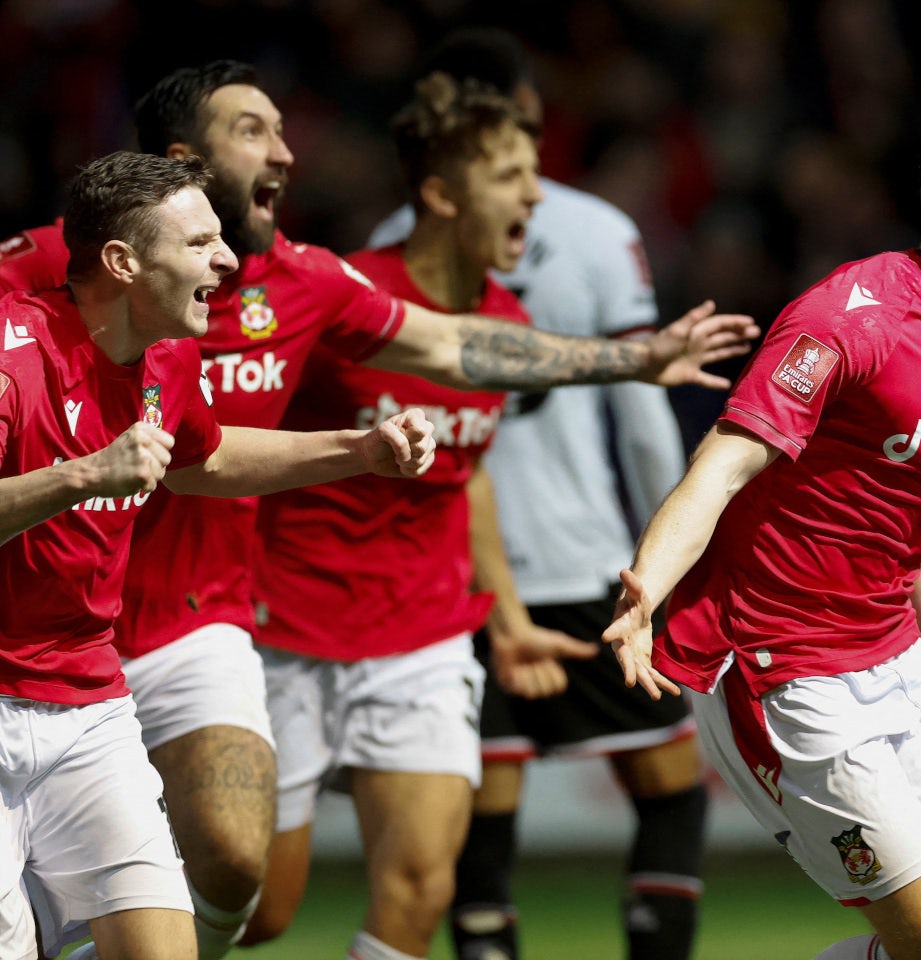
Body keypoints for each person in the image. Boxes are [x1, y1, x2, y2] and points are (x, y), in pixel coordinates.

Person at [0, 60, 755, 960]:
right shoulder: (44, 279)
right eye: (252, 130)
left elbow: (435, 350)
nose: (285, 150)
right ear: (181, 162)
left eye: (283, 128)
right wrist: (83, 473)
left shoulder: (302, 287)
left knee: (244, 872)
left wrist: (629, 360)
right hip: (66, 633)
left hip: (189, 622)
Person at [603, 102, 921, 960]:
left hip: (894, 661)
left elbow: (920, 534)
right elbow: (725, 460)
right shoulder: (849, 319)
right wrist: (647, 586)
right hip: (781, 670)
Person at [0, 151, 435, 960]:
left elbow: (208, 461)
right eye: (199, 243)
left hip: (90, 703)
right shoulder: (12, 354)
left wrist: (359, 449)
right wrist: (83, 476)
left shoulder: (166, 361)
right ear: (125, 262)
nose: (228, 260)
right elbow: (106, 471)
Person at [368, 29, 709, 960]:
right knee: (673, 791)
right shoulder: (601, 230)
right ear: (527, 114)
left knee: (484, 828)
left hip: (455, 575)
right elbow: (642, 419)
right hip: (586, 551)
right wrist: (663, 559)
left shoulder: (385, 248)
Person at [239, 72, 595, 960]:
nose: (535, 193)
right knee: (258, 912)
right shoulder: (344, 297)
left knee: (419, 886)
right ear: (439, 194)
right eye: (510, 173)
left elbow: (463, 475)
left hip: (424, 640)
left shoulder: (507, 325)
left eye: (533, 170)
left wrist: (507, 619)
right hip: (287, 629)